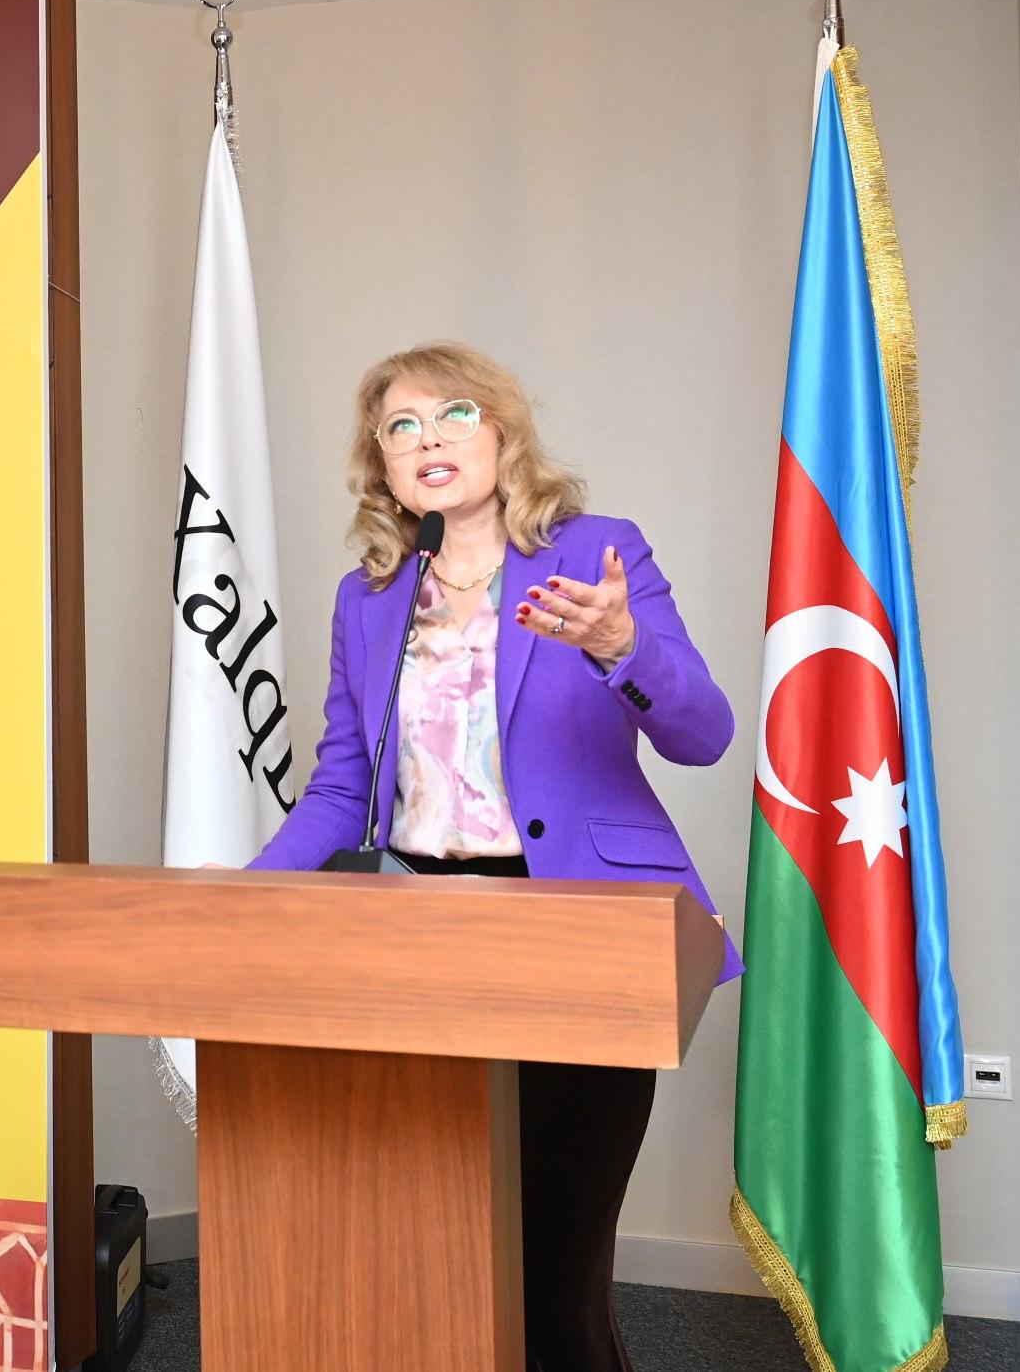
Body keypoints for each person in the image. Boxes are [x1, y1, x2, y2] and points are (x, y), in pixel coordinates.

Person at [246, 339, 737, 1372]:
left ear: (503, 435)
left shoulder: (599, 554)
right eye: (401, 426)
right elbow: (342, 784)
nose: (428, 437)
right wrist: (245, 900)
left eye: (453, 414)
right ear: (383, 468)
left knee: (552, 1276)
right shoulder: (368, 598)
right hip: (415, 936)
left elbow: (704, 734)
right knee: (430, 1258)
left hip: (580, 932)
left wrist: (620, 646)